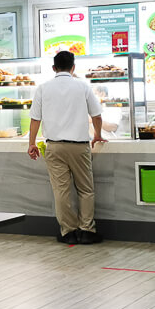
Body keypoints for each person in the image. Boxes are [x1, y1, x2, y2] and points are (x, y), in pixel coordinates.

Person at [28, 51, 107, 245]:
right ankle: (87, 230)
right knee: (85, 189)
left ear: (54, 68)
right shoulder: (82, 86)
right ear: (73, 67)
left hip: (54, 147)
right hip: (79, 146)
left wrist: (31, 143)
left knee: (61, 191)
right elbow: (96, 115)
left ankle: (68, 232)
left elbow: (35, 119)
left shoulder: (43, 88)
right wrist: (97, 134)